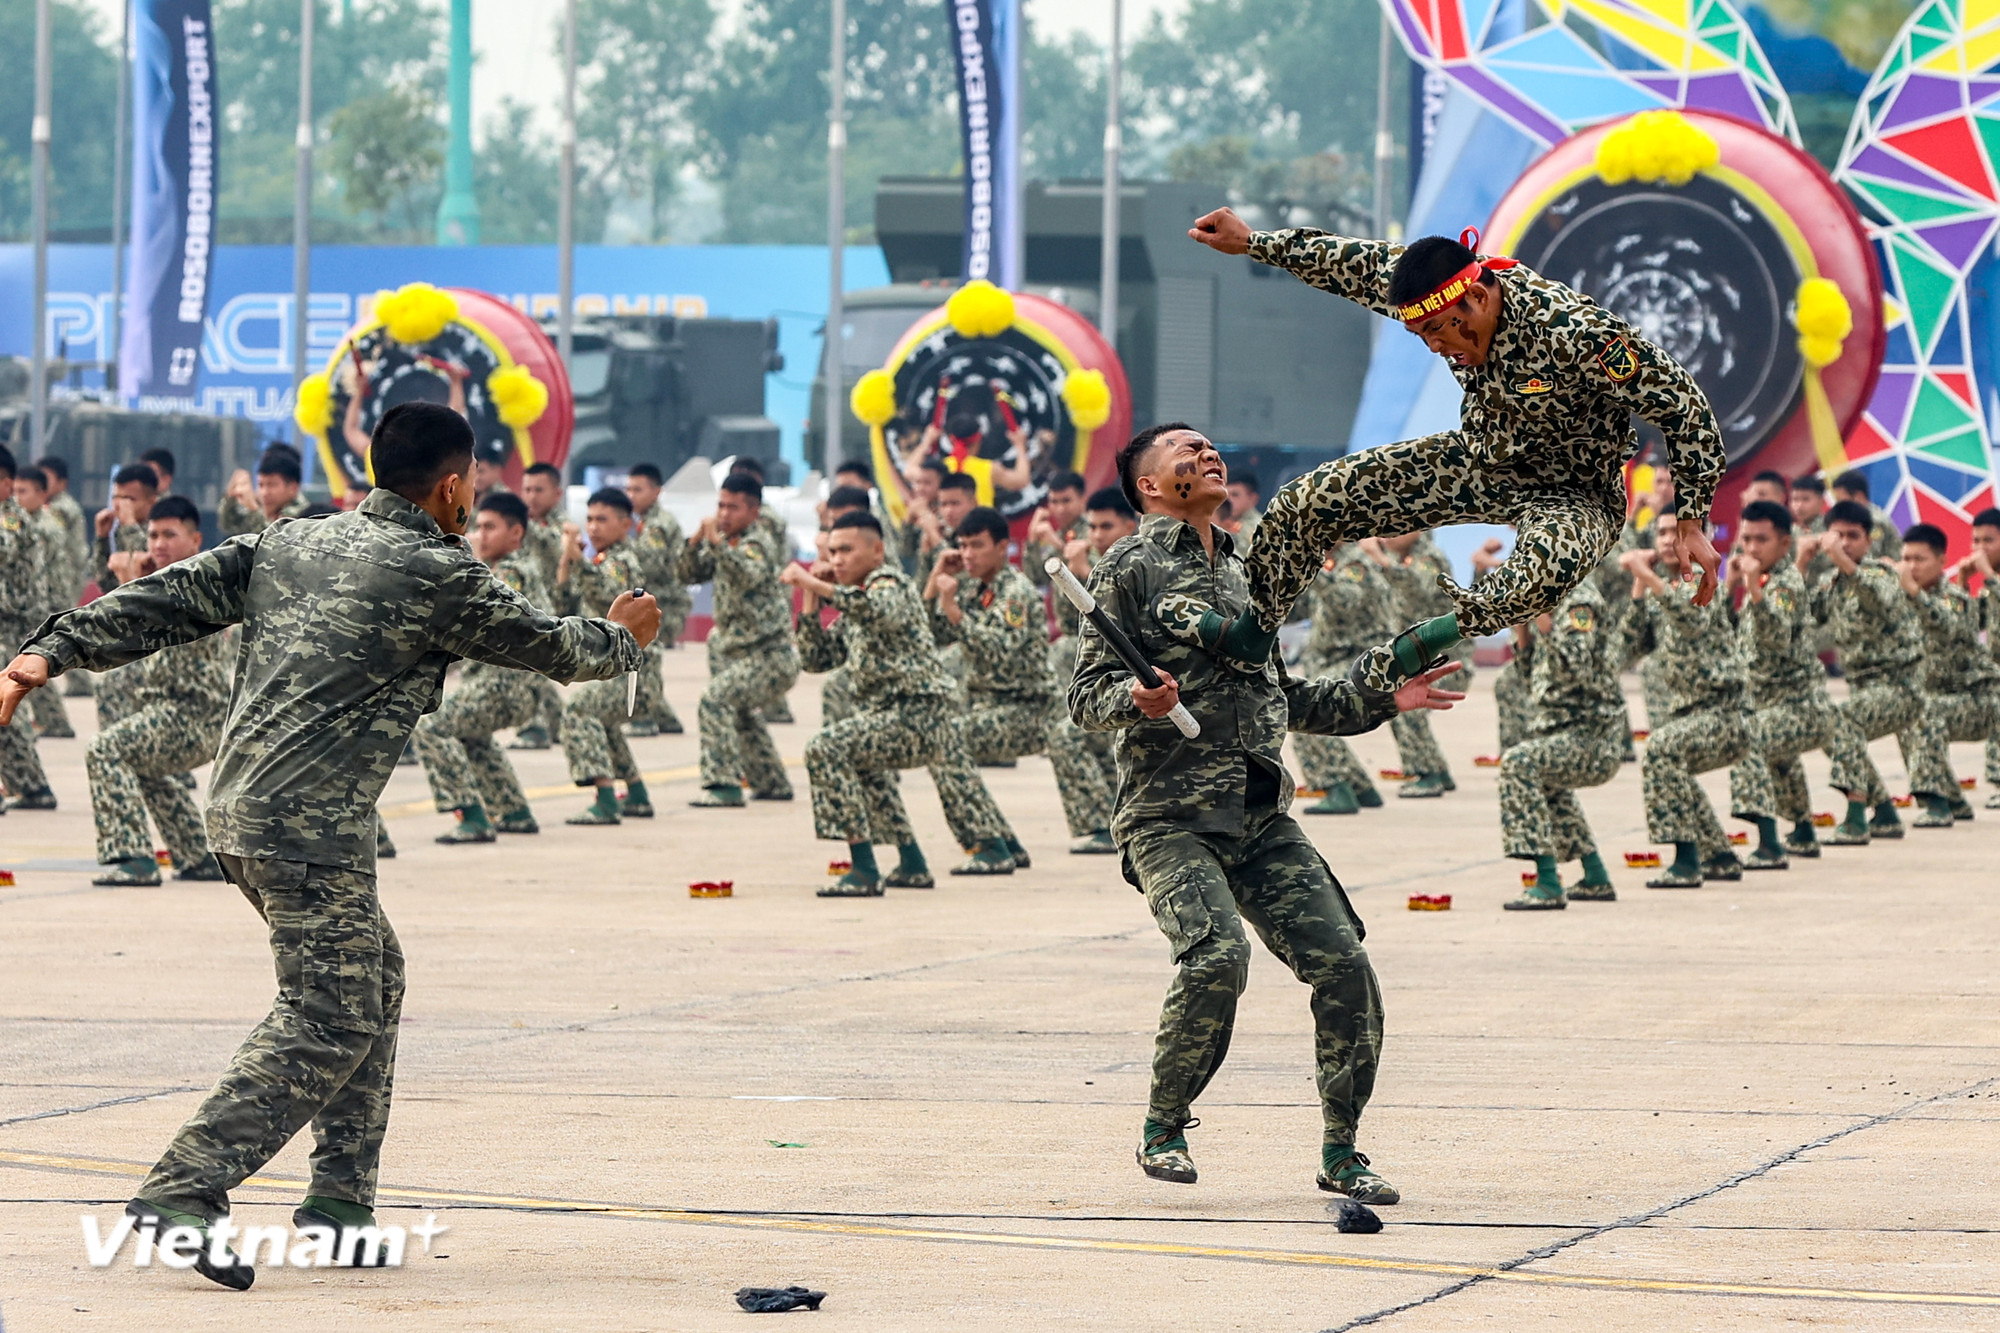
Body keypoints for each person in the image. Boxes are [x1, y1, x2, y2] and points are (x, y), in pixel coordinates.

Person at [0, 401, 657, 1288]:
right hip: (308, 826)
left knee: (373, 978)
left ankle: (341, 1204)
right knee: (331, 1011)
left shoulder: (291, 540)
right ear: (453, 487)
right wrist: (625, 637)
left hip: (241, 809)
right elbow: (554, 649)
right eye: (471, 482)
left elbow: (166, 599)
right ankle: (184, 1188)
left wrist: (49, 652)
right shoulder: (439, 571)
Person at [1070, 423, 1464, 1199]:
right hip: (1170, 817)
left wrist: (1386, 699)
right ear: (1148, 484)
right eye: (1185, 448)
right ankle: (1163, 1123)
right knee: (1217, 956)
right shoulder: (1128, 567)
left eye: (1210, 446)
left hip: (1260, 818)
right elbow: (1085, 697)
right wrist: (1138, 700)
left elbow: (1285, 697)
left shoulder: (1250, 569)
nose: (1206, 453)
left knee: (1346, 968)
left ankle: (1342, 1151)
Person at [1180, 211, 1725, 692]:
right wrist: (1254, 243)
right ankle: (1250, 638)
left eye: (1440, 331)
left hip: (1575, 492)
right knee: (1307, 502)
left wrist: (1692, 520)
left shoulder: (1574, 333)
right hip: (1481, 463)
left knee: (1541, 570)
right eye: (1422, 336)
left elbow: (1685, 407)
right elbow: (1351, 263)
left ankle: (1429, 639)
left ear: (1479, 298)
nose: (1437, 346)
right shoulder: (1436, 290)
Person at [785, 512, 1019, 895]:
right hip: (896, 717)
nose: (837, 559)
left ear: (877, 551)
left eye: (846, 550)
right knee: (861, 761)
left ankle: (863, 869)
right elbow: (816, 659)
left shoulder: (888, 584)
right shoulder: (856, 603)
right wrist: (811, 597)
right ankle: (911, 863)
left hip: (920, 716)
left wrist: (813, 583)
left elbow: (878, 610)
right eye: (832, 552)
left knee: (825, 748)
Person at [81, 497, 230, 884]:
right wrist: (106, 543)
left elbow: (148, 593)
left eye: (169, 535)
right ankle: (197, 855)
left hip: (195, 717)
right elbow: (115, 597)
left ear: (195, 539)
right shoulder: (160, 579)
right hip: (169, 712)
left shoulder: (198, 579)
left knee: (105, 750)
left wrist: (130, 536)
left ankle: (134, 859)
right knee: (142, 765)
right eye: (153, 535)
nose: (159, 544)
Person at [925, 505, 1080, 868]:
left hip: (1031, 710)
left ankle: (988, 845)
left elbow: (1002, 652)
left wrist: (955, 613)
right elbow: (930, 632)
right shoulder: (977, 588)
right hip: (994, 708)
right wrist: (936, 577)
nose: (967, 554)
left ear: (1001, 547)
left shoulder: (1015, 592)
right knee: (941, 739)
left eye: (976, 545)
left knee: (944, 740)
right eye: (962, 546)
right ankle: (1003, 842)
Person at [410, 492, 554, 843]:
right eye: (479, 526)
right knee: (471, 734)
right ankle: (513, 810)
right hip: (512, 686)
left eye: (491, 527)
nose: (481, 535)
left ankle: (471, 815)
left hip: (504, 684)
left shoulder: (510, 573)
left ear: (516, 533)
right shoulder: (514, 568)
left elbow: (485, 618)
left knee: (431, 728)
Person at [1616, 541, 1753, 887]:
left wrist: (1648, 577)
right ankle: (1718, 856)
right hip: (1691, 716)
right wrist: (1639, 585)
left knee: (1661, 749)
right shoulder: (1661, 593)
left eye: (1674, 535)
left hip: (1727, 714)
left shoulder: (1707, 585)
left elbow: (1691, 619)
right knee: (1669, 759)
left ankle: (1687, 861)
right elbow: (1624, 651)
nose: (1666, 541)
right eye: (1661, 533)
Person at [1808, 500, 1944, 843]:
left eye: (1853, 536)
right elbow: (1799, 619)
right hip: (1864, 689)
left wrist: (1841, 560)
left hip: (1901, 688)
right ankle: (1883, 811)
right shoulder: (1829, 582)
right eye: (1837, 535)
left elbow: (1876, 599)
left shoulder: (1883, 575)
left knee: (1843, 720)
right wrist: (1800, 561)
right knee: (1827, 725)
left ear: (1869, 541)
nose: (1844, 543)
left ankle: (1856, 818)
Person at [1497, 577, 1625, 909]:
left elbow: (1574, 666)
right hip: (1562, 733)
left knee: (1519, 763)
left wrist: (1541, 617)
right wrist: (1522, 628)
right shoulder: (1548, 599)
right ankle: (1595, 876)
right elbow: (1533, 681)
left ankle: (1548, 882)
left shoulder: (1579, 603)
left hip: (1592, 737)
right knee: (1544, 778)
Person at [1725, 501, 1840, 864]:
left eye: (1761, 539)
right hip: (1776, 704)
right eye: (1746, 539)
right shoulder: (1765, 581)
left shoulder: (1785, 584)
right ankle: (1803, 831)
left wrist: (1751, 588)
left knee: (1746, 742)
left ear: (1785, 543)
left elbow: (1775, 636)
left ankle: (1769, 842)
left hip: (1804, 709)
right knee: (1778, 754)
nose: (1751, 548)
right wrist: (1731, 586)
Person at [679, 472, 799, 807]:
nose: (724, 514)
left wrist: (717, 544)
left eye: (733, 508)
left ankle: (723, 785)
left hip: (771, 656)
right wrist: (695, 542)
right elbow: (687, 574)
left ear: (754, 511)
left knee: (715, 700)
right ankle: (771, 782)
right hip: (742, 654)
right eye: (721, 506)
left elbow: (747, 574)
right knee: (741, 713)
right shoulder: (726, 543)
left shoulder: (758, 543)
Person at [1040, 487, 1135, 853]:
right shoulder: (1093, 558)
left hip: (1139, 683)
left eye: (1106, 527)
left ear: (1129, 526)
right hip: (1107, 681)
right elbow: (1070, 624)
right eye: (1092, 527)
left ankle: (1103, 825)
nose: (1096, 535)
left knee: (1068, 735)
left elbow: (1128, 621)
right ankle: (1114, 819)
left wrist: (1084, 575)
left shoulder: (1138, 561)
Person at [557, 487, 658, 824]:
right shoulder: (600, 561)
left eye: (602, 519)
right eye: (589, 519)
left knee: (580, 710)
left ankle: (604, 798)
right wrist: (568, 561)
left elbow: (606, 594)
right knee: (602, 719)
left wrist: (576, 559)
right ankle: (636, 792)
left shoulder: (623, 563)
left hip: (636, 675)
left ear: (626, 524)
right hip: (615, 671)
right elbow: (564, 606)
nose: (593, 527)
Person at [1895, 524, 1995, 825]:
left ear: (1941, 561)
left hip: (1981, 699)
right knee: (1905, 711)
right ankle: (1952, 799)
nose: (1912, 567)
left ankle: (1936, 803)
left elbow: (1947, 627)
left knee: (1924, 712)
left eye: (1920, 559)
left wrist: (1913, 593)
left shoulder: (1955, 598)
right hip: (1943, 699)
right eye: (1906, 559)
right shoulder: (1902, 601)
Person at [1294, 544, 1397, 814]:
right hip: (1338, 659)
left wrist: (1311, 569)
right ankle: (1359, 787)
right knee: (1305, 706)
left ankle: (1337, 786)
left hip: (1366, 659)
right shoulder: (1328, 560)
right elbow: (1300, 609)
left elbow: (1345, 600)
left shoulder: (1354, 563)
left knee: (1309, 708)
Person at [1366, 532, 1464, 797]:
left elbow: (1419, 591)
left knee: (1403, 701)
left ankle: (1428, 773)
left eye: (1395, 530)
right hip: (1422, 658)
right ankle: (1437, 770)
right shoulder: (1403, 558)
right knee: (1394, 695)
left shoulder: (1429, 558)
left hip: (1446, 659)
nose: (1385, 536)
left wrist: (1381, 560)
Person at [0, 445, 56, 812]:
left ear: (6, 483)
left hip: (11, 626)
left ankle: (33, 786)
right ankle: (30, 786)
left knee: (7, 705)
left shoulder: (12, 520)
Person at [622, 462, 690, 737]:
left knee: (644, 656)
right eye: (628, 489)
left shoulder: (658, 525)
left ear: (656, 491)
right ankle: (665, 717)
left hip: (665, 605)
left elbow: (649, 563)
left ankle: (645, 716)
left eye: (638, 490)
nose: (631, 496)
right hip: (652, 603)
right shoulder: (642, 522)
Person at [12, 463, 76, 737]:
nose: (17, 498)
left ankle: (54, 722)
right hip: (34, 602)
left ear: (41, 494)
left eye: (23, 491)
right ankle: (50, 721)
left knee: (34, 661)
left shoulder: (45, 527)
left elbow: (44, 571)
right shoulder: (30, 522)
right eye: (15, 491)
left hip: (42, 603)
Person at [511, 461, 568, 750]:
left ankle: (534, 727)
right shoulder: (519, 527)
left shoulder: (562, 527)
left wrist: (520, 521)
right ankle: (559, 724)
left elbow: (557, 547)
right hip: (527, 608)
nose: (531, 497)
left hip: (554, 610)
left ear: (557, 493)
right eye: (527, 490)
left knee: (525, 666)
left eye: (538, 490)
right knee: (533, 670)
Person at [1972, 507, 2000, 808]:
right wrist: (1961, 582)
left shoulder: (1993, 581)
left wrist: (1990, 577)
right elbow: (1967, 626)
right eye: (1976, 541)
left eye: (1988, 541)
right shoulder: (1990, 586)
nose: (1980, 549)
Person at [219, 447, 308, 537]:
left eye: (272, 485)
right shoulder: (263, 505)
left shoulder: (305, 516)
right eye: (261, 485)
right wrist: (231, 497)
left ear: (293, 487)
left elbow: (274, 540)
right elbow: (229, 526)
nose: (265, 492)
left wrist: (253, 509)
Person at [1830, 469, 1902, 560]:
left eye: (1841, 501)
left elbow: (1869, 558)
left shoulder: (1874, 520)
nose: (1839, 505)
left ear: (1858, 496)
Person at [1222, 474, 1262, 551]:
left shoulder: (1261, 528)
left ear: (1253, 498)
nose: (1228, 500)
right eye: (1225, 495)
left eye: (1235, 495)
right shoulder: (1213, 521)